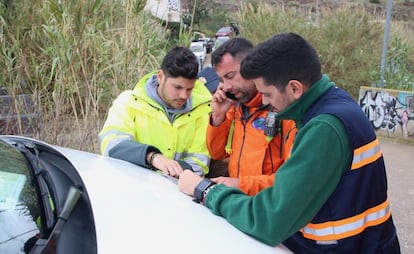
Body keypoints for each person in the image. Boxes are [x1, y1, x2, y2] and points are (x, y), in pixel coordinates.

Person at [178, 33, 400, 253]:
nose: (264, 101)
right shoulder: (335, 103)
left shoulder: (323, 128)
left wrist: (207, 191)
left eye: (267, 94)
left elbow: (269, 220)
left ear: (294, 88)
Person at [99, 46, 212, 177]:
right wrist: (152, 157)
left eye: (189, 89)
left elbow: (199, 163)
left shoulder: (203, 111)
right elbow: (111, 144)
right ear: (160, 76)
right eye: (177, 87)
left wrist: (170, 173)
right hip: (131, 187)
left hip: (176, 190)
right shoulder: (128, 102)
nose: (183, 95)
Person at [205, 37, 296, 195]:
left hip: (268, 203)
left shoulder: (284, 109)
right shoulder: (235, 106)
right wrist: (218, 116)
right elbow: (217, 153)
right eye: (222, 80)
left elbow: (292, 178)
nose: (226, 86)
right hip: (238, 200)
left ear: (251, 67)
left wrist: (241, 184)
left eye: (231, 76)